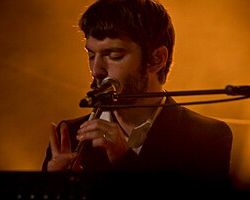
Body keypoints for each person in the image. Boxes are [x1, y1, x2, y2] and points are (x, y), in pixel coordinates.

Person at [42, 0, 233, 186]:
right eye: (91, 55)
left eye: (114, 55)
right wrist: (52, 189)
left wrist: (124, 160)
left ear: (156, 59)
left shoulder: (207, 137)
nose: (96, 70)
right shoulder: (69, 135)